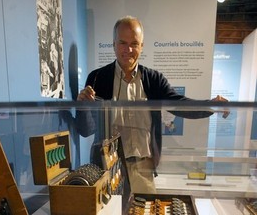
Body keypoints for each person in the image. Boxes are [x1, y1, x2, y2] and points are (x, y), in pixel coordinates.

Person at [76, 15, 228, 194]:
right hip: (105, 164)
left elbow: (178, 105)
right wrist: (83, 106)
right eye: (122, 43)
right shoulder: (97, 78)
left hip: (142, 165)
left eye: (134, 43)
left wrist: (209, 106)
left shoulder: (154, 79)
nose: (129, 49)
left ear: (142, 45)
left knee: (144, 209)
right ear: (114, 44)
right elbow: (86, 130)